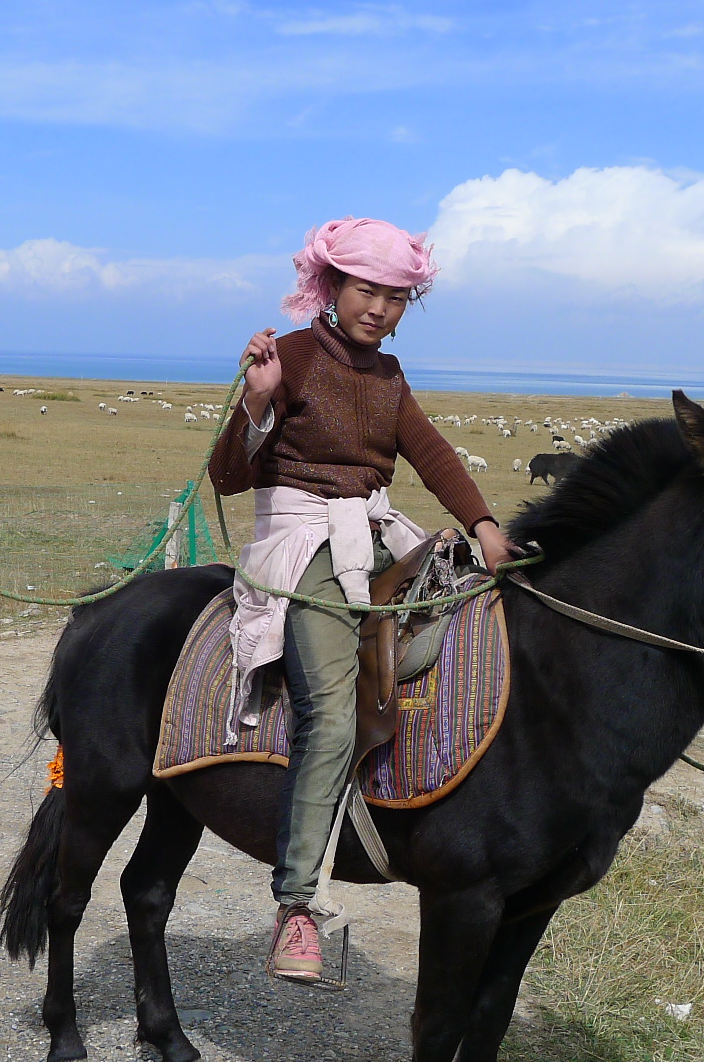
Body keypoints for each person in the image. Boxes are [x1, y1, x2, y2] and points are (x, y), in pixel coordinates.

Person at [208, 217, 511, 983]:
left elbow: (431, 452)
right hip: (303, 540)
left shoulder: (389, 375)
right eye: (366, 290)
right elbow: (227, 477)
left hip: (372, 535)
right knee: (332, 710)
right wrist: (258, 403)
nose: (379, 307)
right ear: (332, 286)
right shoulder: (290, 358)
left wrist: (482, 524)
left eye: (395, 296)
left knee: (472, 625)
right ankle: (296, 905)